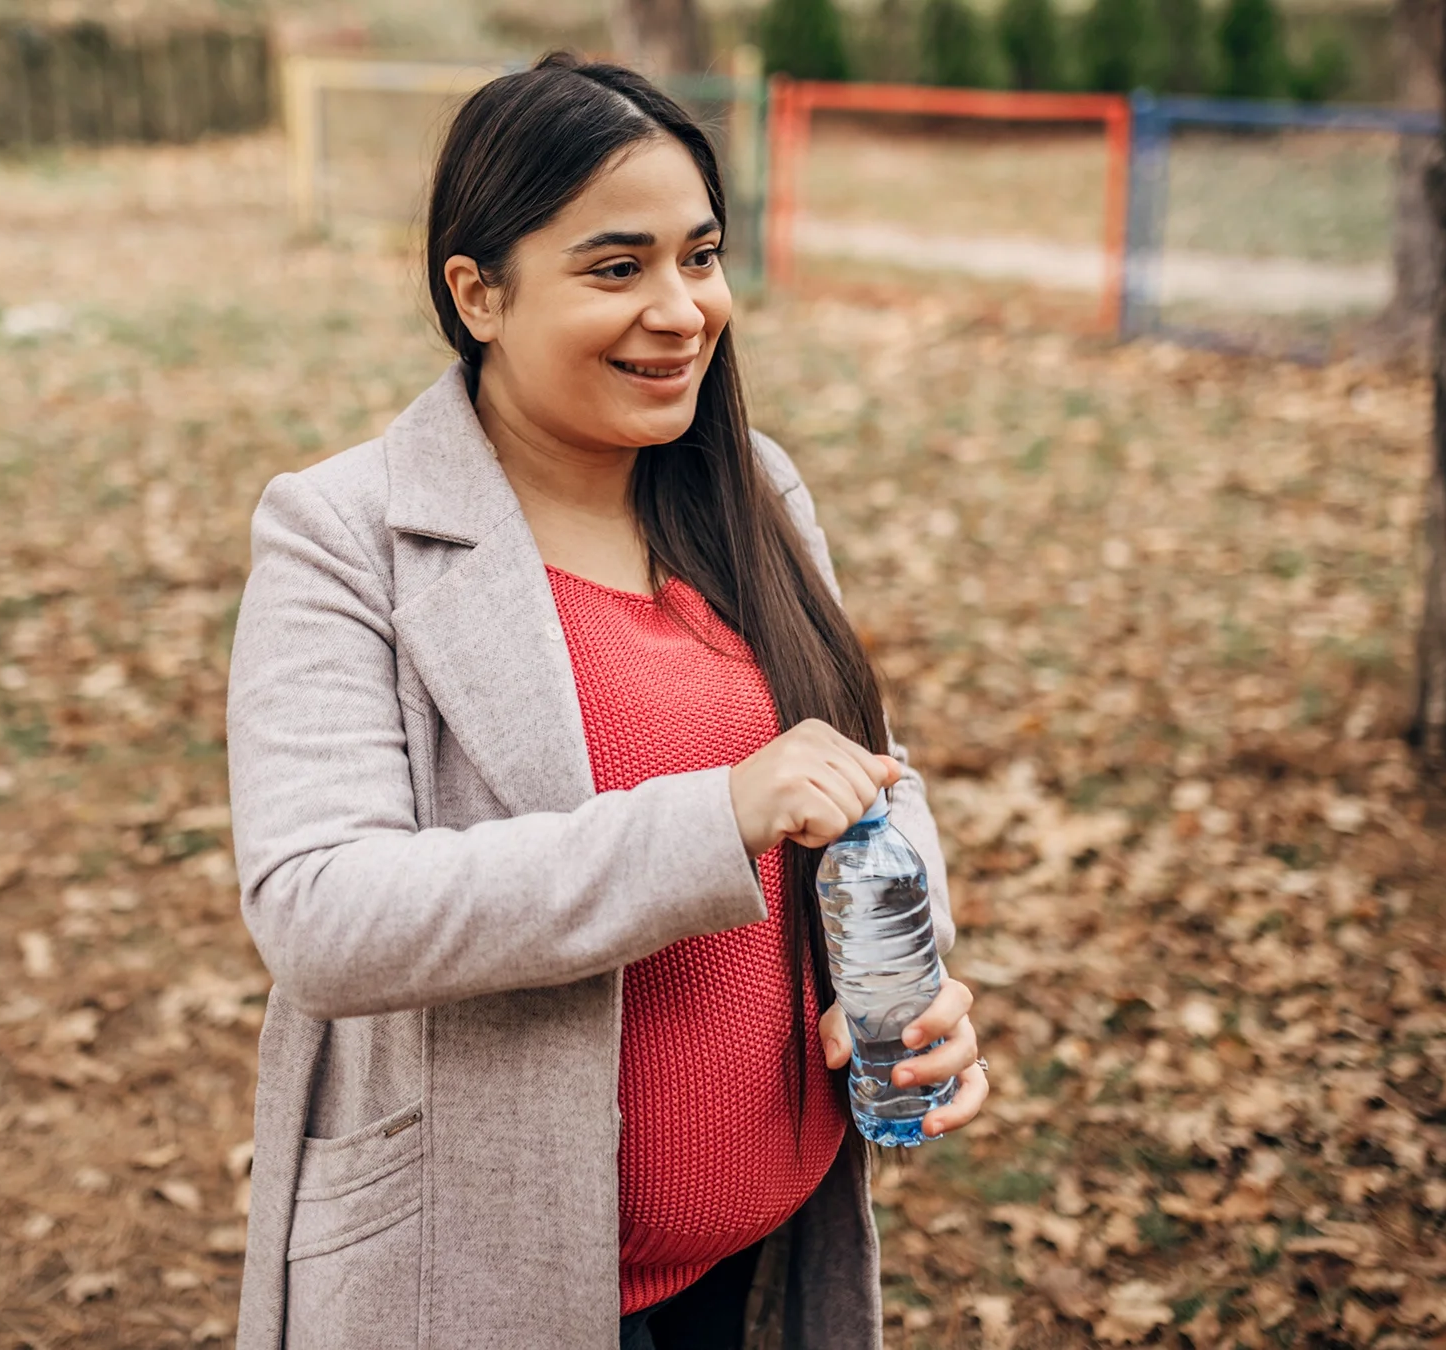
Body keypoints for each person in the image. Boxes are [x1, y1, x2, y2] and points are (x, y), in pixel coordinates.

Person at [226, 52, 988, 1350]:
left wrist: (917, 973)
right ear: (478, 293)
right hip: (486, 1280)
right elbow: (322, 914)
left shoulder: (752, 489)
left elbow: (859, 776)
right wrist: (715, 817)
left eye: (701, 255)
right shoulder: (343, 536)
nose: (685, 308)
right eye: (616, 267)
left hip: (759, 1266)